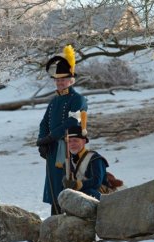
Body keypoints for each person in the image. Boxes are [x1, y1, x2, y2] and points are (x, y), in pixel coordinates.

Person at [37, 45, 88, 215]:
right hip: (52, 148)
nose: (60, 83)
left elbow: (73, 121)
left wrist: (51, 137)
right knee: (52, 183)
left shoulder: (78, 99)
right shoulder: (54, 101)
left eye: (63, 80)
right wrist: (41, 140)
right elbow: (44, 121)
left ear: (71, 80)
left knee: (67, 182)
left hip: (69, 147)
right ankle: (55, 215)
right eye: (57, 80)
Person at [62, 125, 109, 200]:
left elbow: (97, 182)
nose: (72, 144)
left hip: (100, 195)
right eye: (69, 141)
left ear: (83, 141)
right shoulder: (67, 163)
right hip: (78, 196)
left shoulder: (95, 158)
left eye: (75, 140)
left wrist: (79, 184)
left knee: (87, 193)